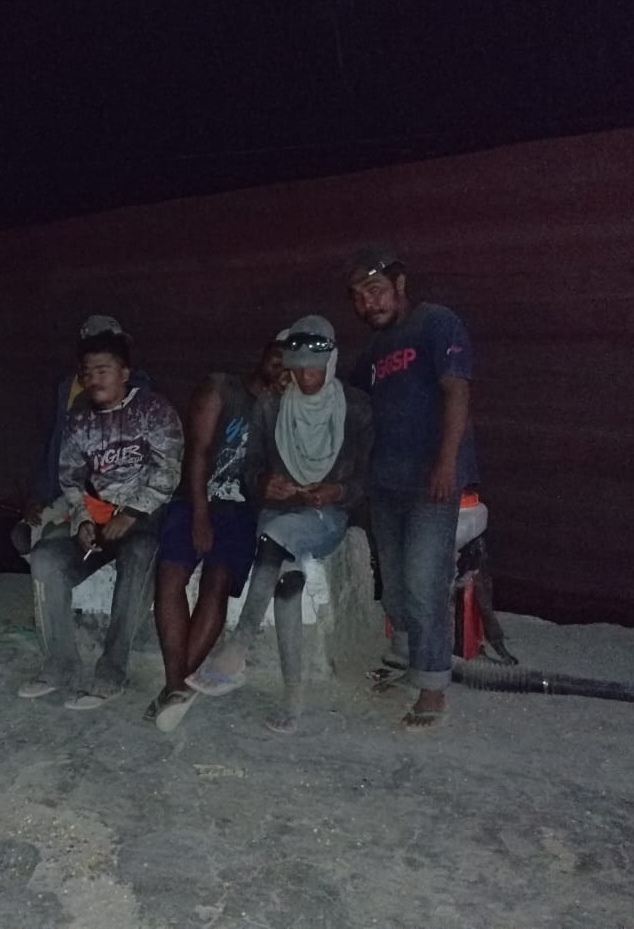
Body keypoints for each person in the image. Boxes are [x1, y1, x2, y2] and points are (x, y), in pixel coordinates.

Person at [187, 315, 372, 735]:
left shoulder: (356, 407)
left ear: (331, 363)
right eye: (298, 368)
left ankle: (238, 645)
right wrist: (264, 483)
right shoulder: (271, 405)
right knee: (287, 583)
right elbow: (250, 471)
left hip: (324, 517)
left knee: (275, 537)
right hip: (276, 511)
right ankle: (293, 695)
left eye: (314, 369)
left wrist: (336, 491)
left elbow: (365, 481)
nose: (305, 378)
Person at [345, 245, 479, 731]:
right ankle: (405, 658)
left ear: (399, 285)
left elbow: (457, 390)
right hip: (386, 482)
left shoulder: (435, 323)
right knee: (397, 582)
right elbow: (351, 406)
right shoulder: (374, 352)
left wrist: (446, 463)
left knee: (424, 581)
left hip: (431, 482)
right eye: (359, 296)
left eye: (376, 290)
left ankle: (433, 685)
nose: (369, 303)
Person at [18, 330, 182, 709]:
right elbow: (70, 478)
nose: (93, 379)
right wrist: (81, 520)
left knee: (138, 554)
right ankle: (61, 664)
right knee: (45, 558)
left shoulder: (154, 410)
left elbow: (169, 470)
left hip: (144, 519)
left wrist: (133, 513)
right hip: (99, 517)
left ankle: (112, 671)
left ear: (124, 372)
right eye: (87, 372)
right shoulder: (79, 421)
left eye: (102, 370)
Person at [145, 336, 289, 732]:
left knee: (218, 579)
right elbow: (200, 451)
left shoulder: (285, 409)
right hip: (195, 498)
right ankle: (177, 685)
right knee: (170, 576)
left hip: (241, 510)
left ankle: (174, 689)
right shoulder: (221, 388)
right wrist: (200, 515)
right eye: (276, 359)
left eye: (290, 366)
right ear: (263, 355)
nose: (282, 370)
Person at [12, 315, 150, 555]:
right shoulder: (66, 387)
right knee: (22, 536)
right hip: (65, 492)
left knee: (54, 546)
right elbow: (52, 445)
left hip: (108, 498)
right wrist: (38, 495)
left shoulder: (136, 388)